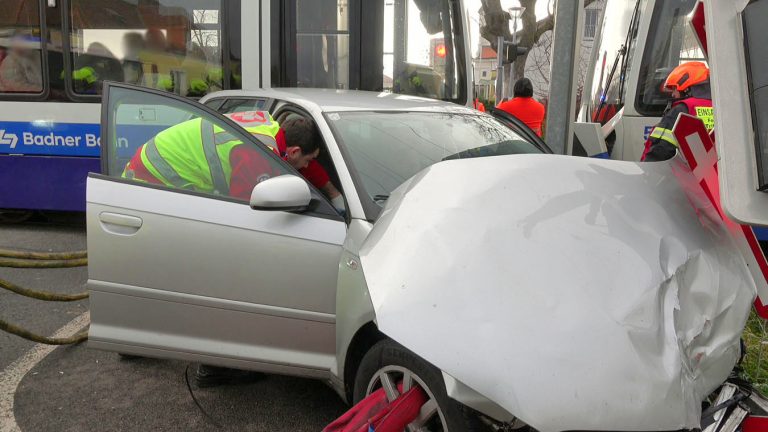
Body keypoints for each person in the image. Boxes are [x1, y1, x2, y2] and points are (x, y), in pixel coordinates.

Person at [122, 111, 345, 212]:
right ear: (294, 151)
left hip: (153, 160)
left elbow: (298, 164)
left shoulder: (271, 129)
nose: (307, 167)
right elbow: (243, 211)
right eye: (308, 160)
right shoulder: (258, 156)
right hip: (155, 175)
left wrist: (334, 194)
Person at [641, 61, 713, 162]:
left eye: (674, 89)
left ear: (686, 88)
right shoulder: (719, 107)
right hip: (709, 168)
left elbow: (661, 151)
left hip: (679, 170)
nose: (673, 94)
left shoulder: (681, 110)